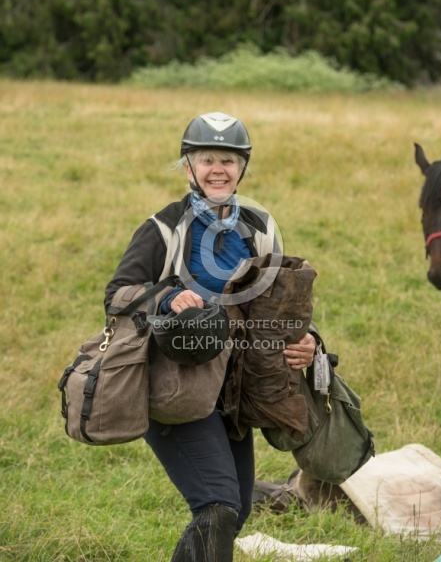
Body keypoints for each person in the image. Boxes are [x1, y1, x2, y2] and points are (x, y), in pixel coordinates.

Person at [104, 112, 316, 561]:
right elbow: (117, 294)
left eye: (228, 160)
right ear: (188, 168)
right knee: (217, 506)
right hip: (173, 388)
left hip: (234, 391)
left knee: (232, 514)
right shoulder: (163, 227)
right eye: (206, 160)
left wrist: (308, 339)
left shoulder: (260, 227)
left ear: (243, 168)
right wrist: (166, 299)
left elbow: (283, 302)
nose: (217, 169)